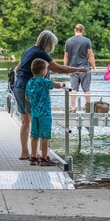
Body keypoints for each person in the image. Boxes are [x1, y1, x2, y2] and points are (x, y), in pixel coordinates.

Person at [13, 30, 88, 160]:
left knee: (26, 122)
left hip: (19, 86)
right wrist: (78, 69)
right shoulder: (41, 54)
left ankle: (25, 153)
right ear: (49, 43)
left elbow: (17, 69)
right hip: (29, 89)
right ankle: (38, 155)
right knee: (36, 121)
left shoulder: (29, 50)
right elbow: (59, 68)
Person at [25, 58, 65, 166]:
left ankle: (33, 157)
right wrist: (62, 84)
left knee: (34, 136)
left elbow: (27, 97)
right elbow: (56, 85)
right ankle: (44, 159)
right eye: (47, 69)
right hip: (45, 114)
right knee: (45, 137)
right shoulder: (44, 81)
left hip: (34, 113)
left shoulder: (30, 82)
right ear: (43, 71)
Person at [63, 24, 97, 113]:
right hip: (84, 68)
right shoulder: (87, 41)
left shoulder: (68, 41)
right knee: (86, 89)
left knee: (73, 89)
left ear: (75, 30)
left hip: (72, 68)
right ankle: (89, 108)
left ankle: (73, 107)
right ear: (83, 30)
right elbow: (90, 55)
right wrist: (94, 68)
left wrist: (65, 68)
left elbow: (66, 56)